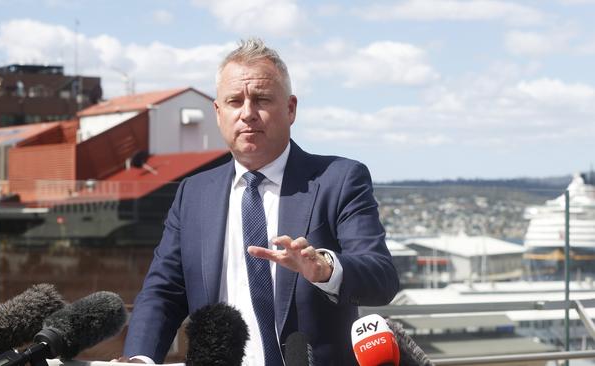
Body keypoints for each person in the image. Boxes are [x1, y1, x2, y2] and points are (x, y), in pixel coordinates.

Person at [122, 38, 399, 365]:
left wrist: (324, 268)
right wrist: (139, 359)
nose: (247, 114)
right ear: (218, 112)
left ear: (291, 108)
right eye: (234, 101)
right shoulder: (193, 194)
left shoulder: (339, 179)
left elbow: (381, 278)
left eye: (262, 100)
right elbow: (162, 293)